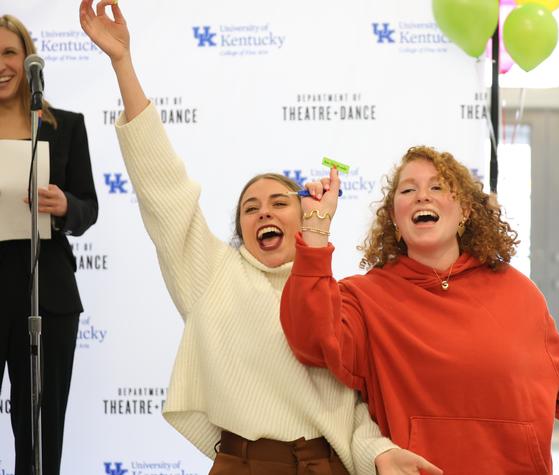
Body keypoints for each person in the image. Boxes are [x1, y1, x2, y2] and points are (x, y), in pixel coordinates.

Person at [79, 2, 442, 474]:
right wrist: (123, 63)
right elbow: (163, 189)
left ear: (304, 216)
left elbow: (353, 411)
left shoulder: (334, 295)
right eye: (250, 208)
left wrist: (381, 454)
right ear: (242, 232)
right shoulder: (211, 273)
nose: (264, 211)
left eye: (278, 203)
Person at [280, 146, 559, 474]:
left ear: (466, 212)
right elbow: (313, 340)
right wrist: (315, 232)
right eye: (408, 190)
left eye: (439, 187)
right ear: (395, 223)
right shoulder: (365, 298)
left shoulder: (518, 292)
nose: (423, 196)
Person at [0, 14, 99, 475]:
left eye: (8, 53)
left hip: (48, 296)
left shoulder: (66, 127)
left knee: (40, 432)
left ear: (28, 60)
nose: (1, 65)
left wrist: (64, 205)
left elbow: (88, 208)